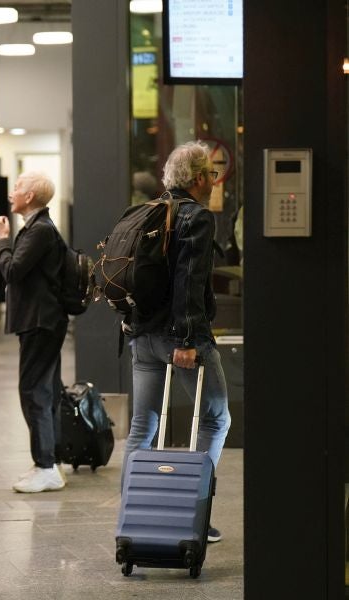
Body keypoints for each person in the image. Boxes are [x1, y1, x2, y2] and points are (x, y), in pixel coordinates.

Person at [123, 141, 231, 543]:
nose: (214, 182)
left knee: (141, 428)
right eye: (212, 175)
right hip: (182, 339)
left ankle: (131, 520)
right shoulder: (196, 217)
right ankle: (193, 515)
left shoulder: (147, 211)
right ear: (200, 178)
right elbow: (191, 280)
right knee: (216, 420)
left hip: (142, 336)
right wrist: (187, 339)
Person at [0, 171, 68, 493]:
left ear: (32, 195)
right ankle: (48, 461)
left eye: (19, 187)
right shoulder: (39, 228)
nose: (13, 192)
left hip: (41, 321)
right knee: (46, 391)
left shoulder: (39, 231)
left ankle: (46, 466)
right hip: (44, 320)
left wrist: (2, 240)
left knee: (33, 392)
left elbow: (12, 271)